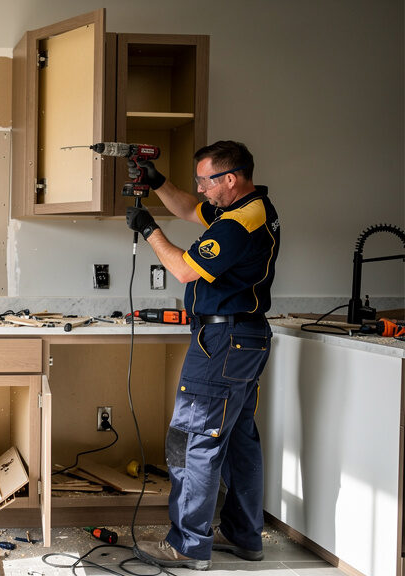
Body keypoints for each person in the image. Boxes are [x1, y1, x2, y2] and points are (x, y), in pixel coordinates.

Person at [125, 141, 280, 570]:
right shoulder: (249, 207)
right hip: (243, 340)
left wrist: (147, 228)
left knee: (194, 439)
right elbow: (190, 209)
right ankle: (244, 535)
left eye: (205, 180)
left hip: (223, 343)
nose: (200, 189)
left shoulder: (237, 225)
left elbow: (184, 269)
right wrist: (158, 182)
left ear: (229, 179)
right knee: (237, 443)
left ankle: (188, 546)